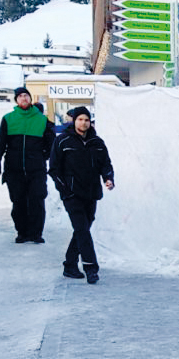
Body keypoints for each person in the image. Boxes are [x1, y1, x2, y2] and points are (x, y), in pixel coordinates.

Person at [48, 106, 114, 284]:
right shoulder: (63, 141)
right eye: (80, 119)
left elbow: (105, 164)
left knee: (82, 230)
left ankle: (70, 265)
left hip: (91, 193)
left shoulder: (97, 143)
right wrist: (65, 189)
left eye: (86, 120)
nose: (83, 123)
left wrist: (108, 178)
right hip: (72, 194)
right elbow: (54, 169)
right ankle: (91, 268)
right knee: (83, 230)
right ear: (74, 121)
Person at [0, 86, 55, 243]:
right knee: (18, 202)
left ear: (30, 99)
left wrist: (43, 156)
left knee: (37, 201)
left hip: (36, 169)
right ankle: (22, 232)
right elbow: (0, 143)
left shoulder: (42, 120)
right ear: (16, 100)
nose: (23, 98)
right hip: (14, 169)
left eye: (26, 96)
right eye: (20, 96)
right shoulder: (8, 119)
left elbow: (52, 143)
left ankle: (36, 233)